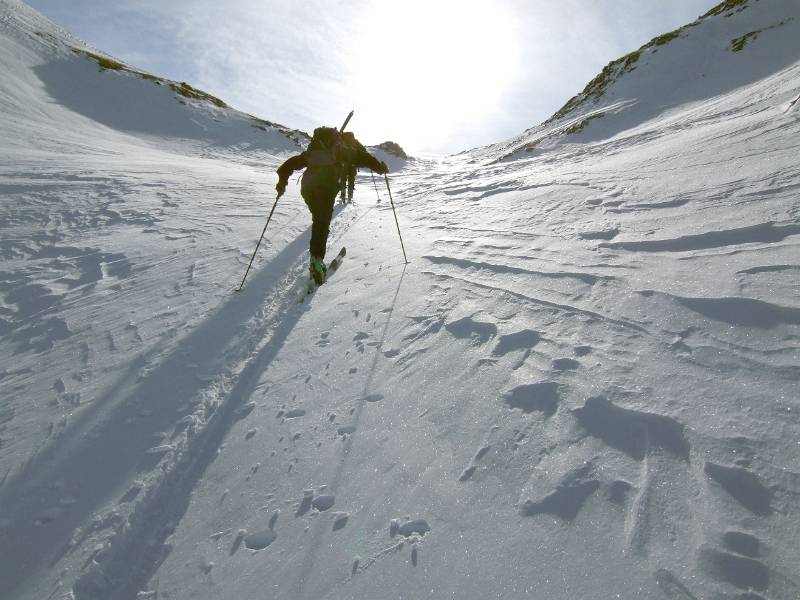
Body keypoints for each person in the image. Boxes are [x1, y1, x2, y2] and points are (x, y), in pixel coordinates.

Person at [276, 127, 388, 284]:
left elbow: (289, 164)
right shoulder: (338, 150)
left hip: (307, 189)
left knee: (318, 220)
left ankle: (316, 258)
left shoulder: (311, 151)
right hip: (326, 189)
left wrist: (282, 182)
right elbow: (361, 157)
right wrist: (379, 167)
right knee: (322, 223)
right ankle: (317, 260)